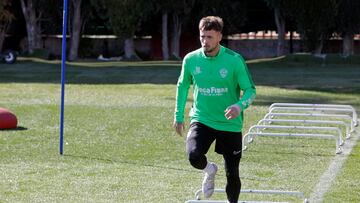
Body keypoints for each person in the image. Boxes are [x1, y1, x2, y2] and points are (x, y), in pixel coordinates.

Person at [173, 16, 256, 203]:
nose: (205, 41)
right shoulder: (191, 59)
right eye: (202, 36)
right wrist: (178, 116)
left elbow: (250, 90)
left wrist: (238, 105)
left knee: (232, 173)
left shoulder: (234, 60)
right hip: (202, 119)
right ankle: (209, 170)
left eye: (209, 37)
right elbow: (182, 86)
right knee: (193, 155)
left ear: (219, 36)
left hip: (230, 123)